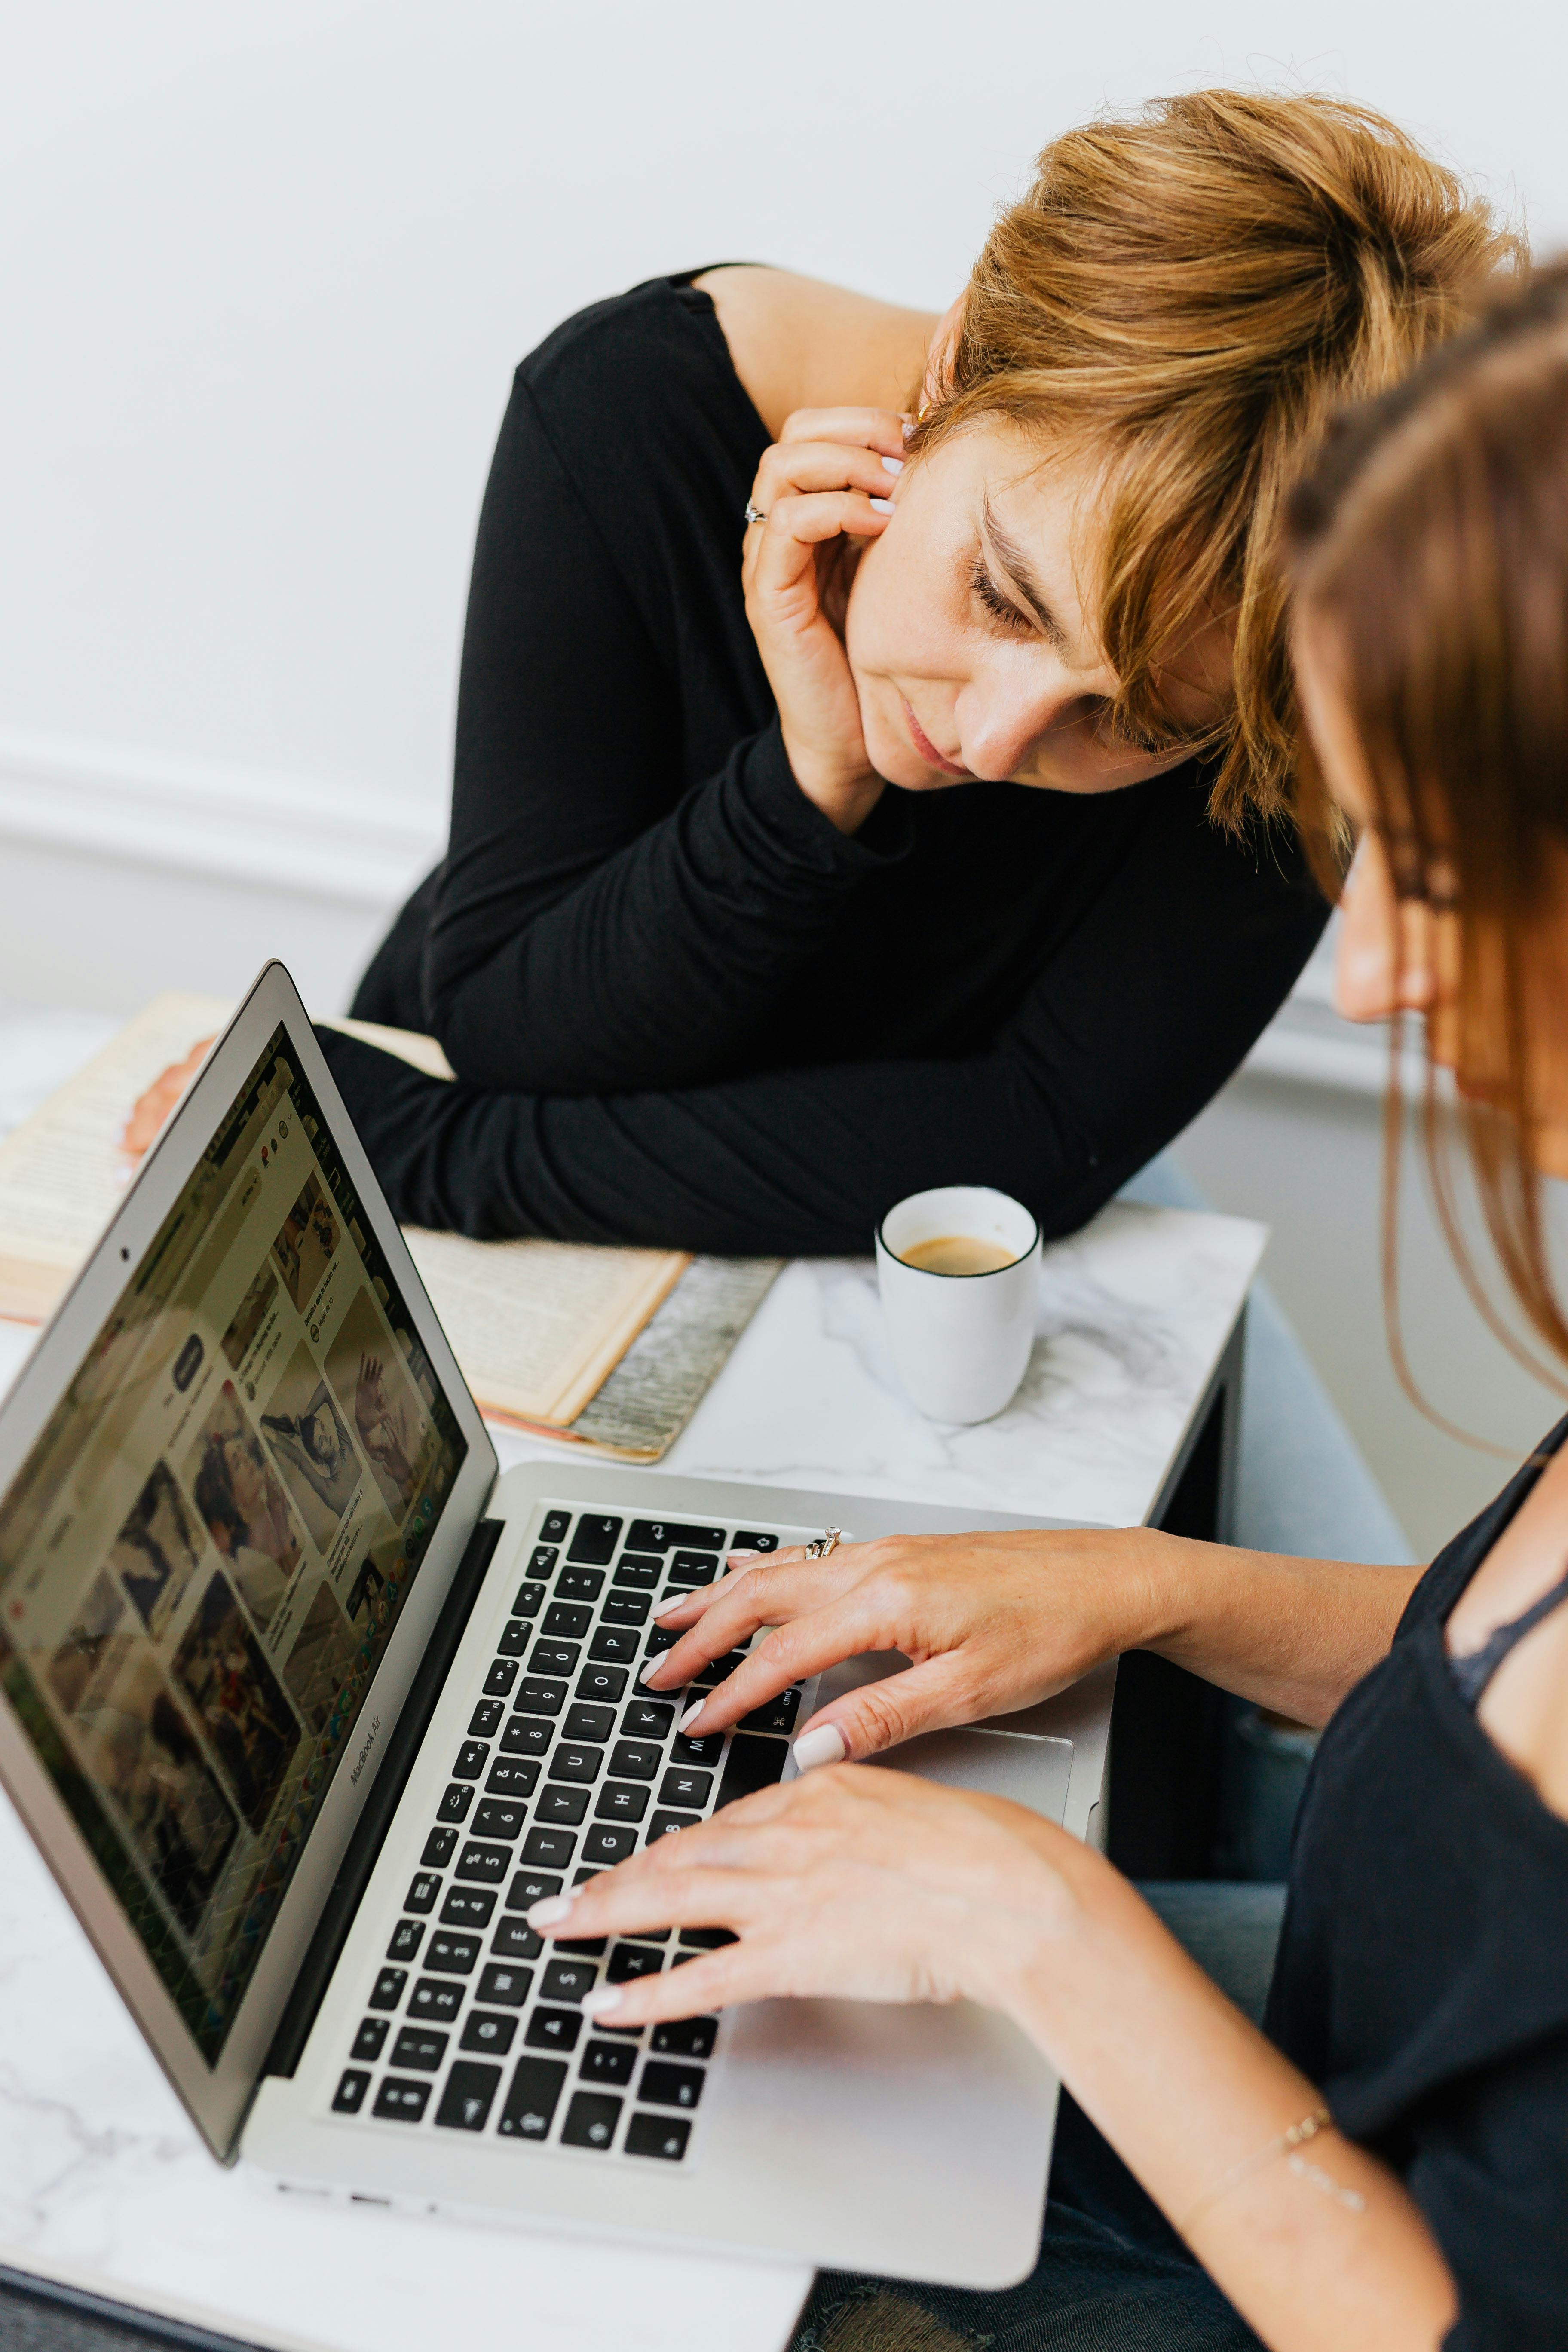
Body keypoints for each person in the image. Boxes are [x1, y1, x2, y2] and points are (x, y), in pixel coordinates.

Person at [519, 268, 1568, 2351]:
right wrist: (1140, 1585)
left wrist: (1043, 1925)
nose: (1370, 981)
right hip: (1329, 2098)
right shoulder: (638, 425)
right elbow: (1494, 1694)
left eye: (1437, 876)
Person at [125, 92, 1517, 1254]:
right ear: (962, 359)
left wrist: (435, 1152)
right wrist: (809, 780)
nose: (991, 733)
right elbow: (505, 1025)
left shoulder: (1316, 646)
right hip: (519, 1142)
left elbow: (1037, 1141)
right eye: (1000, 593)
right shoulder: (630, 408)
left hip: (581, 1190)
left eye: (1135, 720)